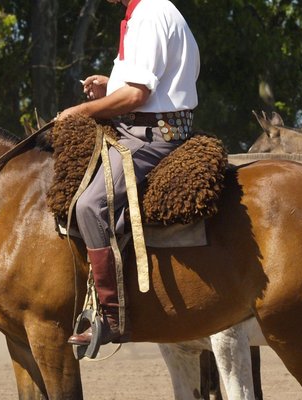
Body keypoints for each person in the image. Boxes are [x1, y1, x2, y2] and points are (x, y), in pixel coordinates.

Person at [59, 0, 199, 346]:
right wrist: (111, 86)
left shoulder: (150, 14)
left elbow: (137, 94)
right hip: (144, 126)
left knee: (90, 206)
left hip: (150, 137)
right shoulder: (149, 11)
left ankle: (111, 316)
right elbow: (145, 84)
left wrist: (82, 110)